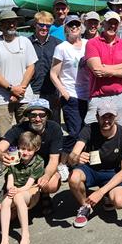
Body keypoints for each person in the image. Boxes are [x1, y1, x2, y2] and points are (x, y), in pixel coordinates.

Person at [68, 102, 122, 228]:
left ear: (116, 117)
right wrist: (76, 157)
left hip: (112, 173)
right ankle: (85, 206)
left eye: (110, 116)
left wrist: (101, 192)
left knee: (119, 202)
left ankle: (107, 195)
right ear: (97, 117)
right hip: (90, 169)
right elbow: (72, 155)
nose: (107, 120)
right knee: (74, 178)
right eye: (104, 116)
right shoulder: (89, 129)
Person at [0, 99, 63, 215]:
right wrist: (0, 155)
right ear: (28, 116)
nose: (38, 118)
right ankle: (27, 200)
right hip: (20, 173)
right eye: (33, 115)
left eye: (42, 115)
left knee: (52, 183)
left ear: (47, 116)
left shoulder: (54, 128)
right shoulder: (19, 129)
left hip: (42, 169)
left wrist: (46, 175)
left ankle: (43, 194)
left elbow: (54, 160)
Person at [0, 131, 44, 244]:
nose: (25, 152)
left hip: (30, 191)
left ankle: (25, 236)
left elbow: (28, 185)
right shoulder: (14, 158)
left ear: (36, 149)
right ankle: (4, 241)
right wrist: (11, 189)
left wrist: (16, 191)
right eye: (22, 148)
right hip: (16, 189)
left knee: (18, 197)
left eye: (29, 150)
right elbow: (9, 181)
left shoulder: (38, 161)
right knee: (6, 202)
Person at [0, 10, 37, 139]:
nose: (11, 25)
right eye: (7, 23)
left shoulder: (25, 41)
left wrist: (21, 89)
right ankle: (7, 159)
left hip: (24, 96)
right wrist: (11, 89)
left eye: (13, 22)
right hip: (1, 97)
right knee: (4, 136)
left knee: (28, 134)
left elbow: (31, 67)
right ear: (1, 26)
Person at [49, 14, 88, 182]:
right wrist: (63, 91)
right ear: (66, 28)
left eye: (77, 25)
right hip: (71, 94)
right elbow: (53, 73)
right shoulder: (62, 47)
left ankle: (79, 161)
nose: (74, 27)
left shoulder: (88, 44)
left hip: (89, 94)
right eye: (71, 25)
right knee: (74, 131)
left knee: (87, 131)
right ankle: (63, 162)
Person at [84, 10, 122, 126]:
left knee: (119, 129)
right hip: (98, 96)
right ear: (103, 24)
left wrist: (106, 68)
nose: (112, 26)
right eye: (109, 23)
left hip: (120, 96)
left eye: (115, 23)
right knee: (92, 129)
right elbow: (97, 70)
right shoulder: (92, 43)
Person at [29, 11, 63, 123]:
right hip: (33, 90)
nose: (44, 28)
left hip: (52, 91)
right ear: (35, 24)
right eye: (41, 25)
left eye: (48, 26)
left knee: (53, 123)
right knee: (35, 122)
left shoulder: (58, 44)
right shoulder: (27, 43)